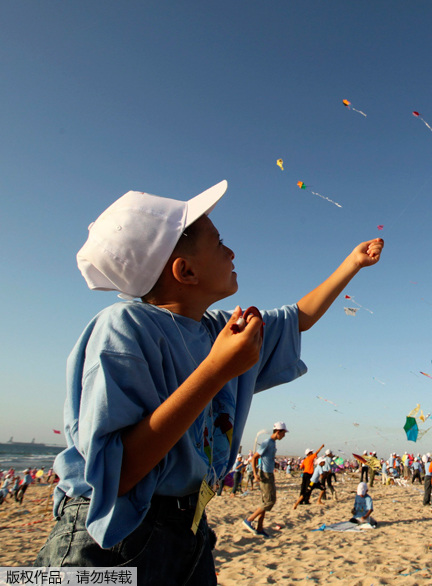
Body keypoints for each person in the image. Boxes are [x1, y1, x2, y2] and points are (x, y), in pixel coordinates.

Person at [34, 180, 383, 584]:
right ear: (185, 271)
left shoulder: (216, 330)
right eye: (218, 243)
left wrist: (352, 264)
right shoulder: (123, 329)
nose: (231, 252)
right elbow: (121, 474)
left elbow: (297, 318)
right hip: (111, 535)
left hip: (188, 527)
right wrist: (216, 370)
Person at [244, 423, 288, 536]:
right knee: (269, 501)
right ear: (278, 432)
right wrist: (255, 474)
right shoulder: (267, 442)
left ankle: (259, 528)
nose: (284, 436)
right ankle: (249, 520)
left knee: (265, 501)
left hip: (269, 473)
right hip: (265, 474)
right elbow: (254, 457)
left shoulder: (272, 443)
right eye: (283, 433)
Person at [294, 444, 324, 509]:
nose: (312, 453)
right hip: (309, 475)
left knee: (303, 487)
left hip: (304, 474)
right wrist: (321, 447)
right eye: (311, 452)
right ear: (309, 453)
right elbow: (317, 452)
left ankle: (301, 500)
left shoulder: (305, 460)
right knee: (308, 488)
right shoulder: (310, 457)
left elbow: (301, 467)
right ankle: (306, 500)